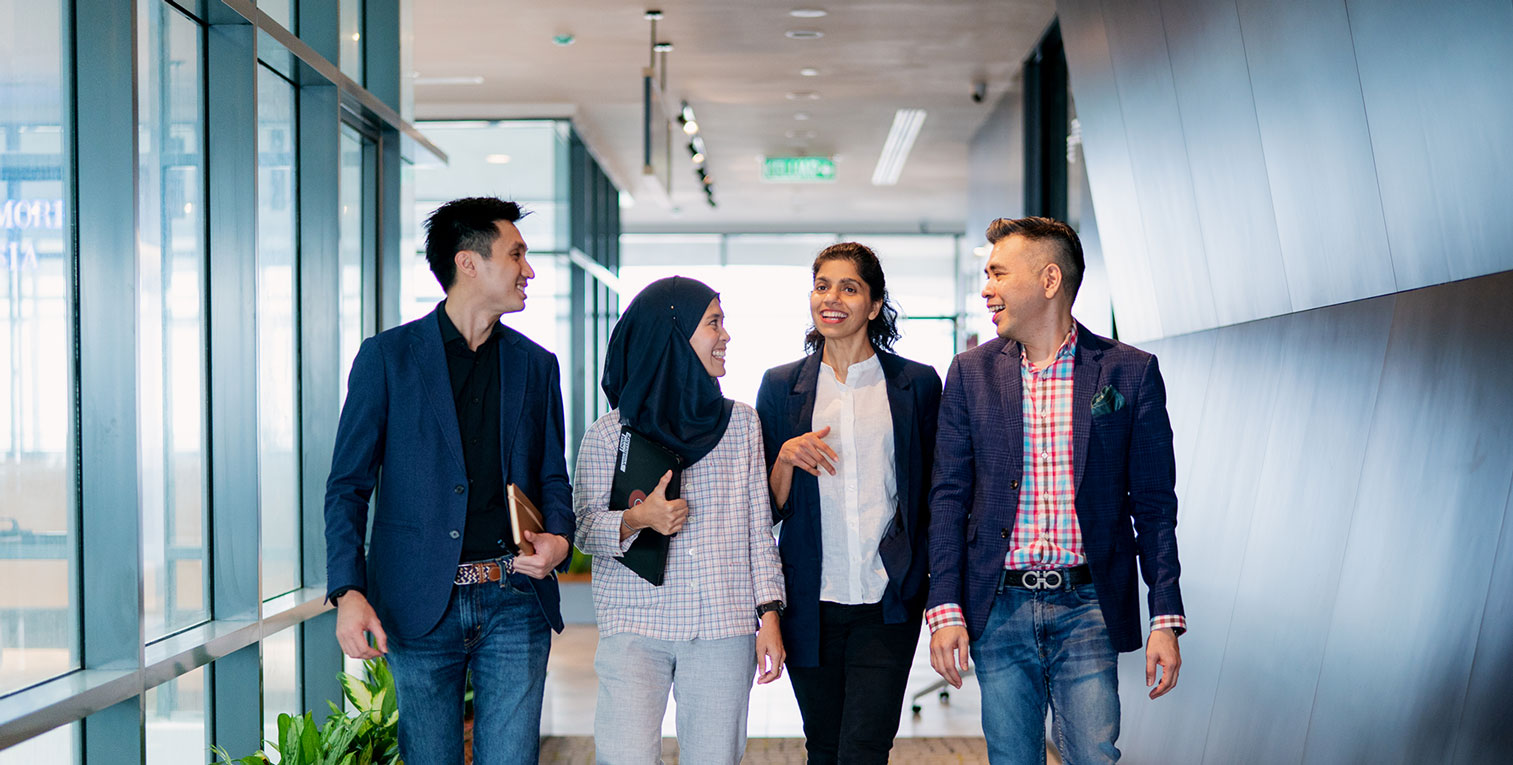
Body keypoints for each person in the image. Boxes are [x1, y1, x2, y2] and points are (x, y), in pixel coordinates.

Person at [324, 196, 574, 765]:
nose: (528, 270)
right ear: (469, 263)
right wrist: (348, 590)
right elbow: (347, 486)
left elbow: (552, 477)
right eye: (516, 255)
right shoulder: (387, 358)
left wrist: (558, 538)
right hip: (418, 603)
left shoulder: (537, 366)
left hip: (515, 599)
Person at [926, 217, 1185, 764]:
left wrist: (1164, 616)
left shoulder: (1128, 372)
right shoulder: (970, 373)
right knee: (1012, 758)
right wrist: (945, 607)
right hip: (998, 604)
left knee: (1094, 756)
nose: (987, 288)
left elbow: (1156, 507)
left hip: (1088, 604)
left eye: (998, 273)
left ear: (1048, 280)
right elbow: (948, 498)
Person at [573, 276, 785, 765]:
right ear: (673, 336)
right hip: (634, 625)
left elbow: (759, 532)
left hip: (722, 626)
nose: (726, 336)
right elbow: (583, 527)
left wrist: (770, 614)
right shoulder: (609, 435)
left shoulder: (742, 425)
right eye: (714, 323)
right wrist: (637, 518)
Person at [754, 242, 941, 764]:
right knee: (825, 747)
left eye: (848, 287)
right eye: (822, 285)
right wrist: (786, 457)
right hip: (809, 601)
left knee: (863, 749)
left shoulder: (917, 384)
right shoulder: (780, 387)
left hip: (887, 600)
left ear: (875, 304)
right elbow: (763, 510)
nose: (831, 299)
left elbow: (933, 494)